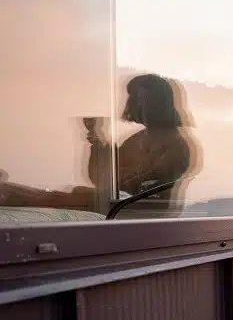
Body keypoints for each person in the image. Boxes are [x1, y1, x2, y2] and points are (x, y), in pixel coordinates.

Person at [0, 73, 198, 216]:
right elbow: (103, 178)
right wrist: (96, 138)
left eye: (141, 100)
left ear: (157, 104)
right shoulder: (139, 139)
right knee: (40, 195)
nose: (134, 105)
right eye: (135, 99)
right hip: (118, 204)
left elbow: (131, 186)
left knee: (42, 198)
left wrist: (112, 173)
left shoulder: (176, 145)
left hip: (135, 213)